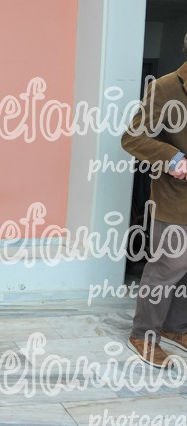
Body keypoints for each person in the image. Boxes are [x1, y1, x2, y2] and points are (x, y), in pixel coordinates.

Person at [122, 33, 187, 368]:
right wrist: (175, 159)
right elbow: (132, 137)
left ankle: (175, 328)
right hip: (177, 198)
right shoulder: (166, 87)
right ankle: (143, 335)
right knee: (167, 268)